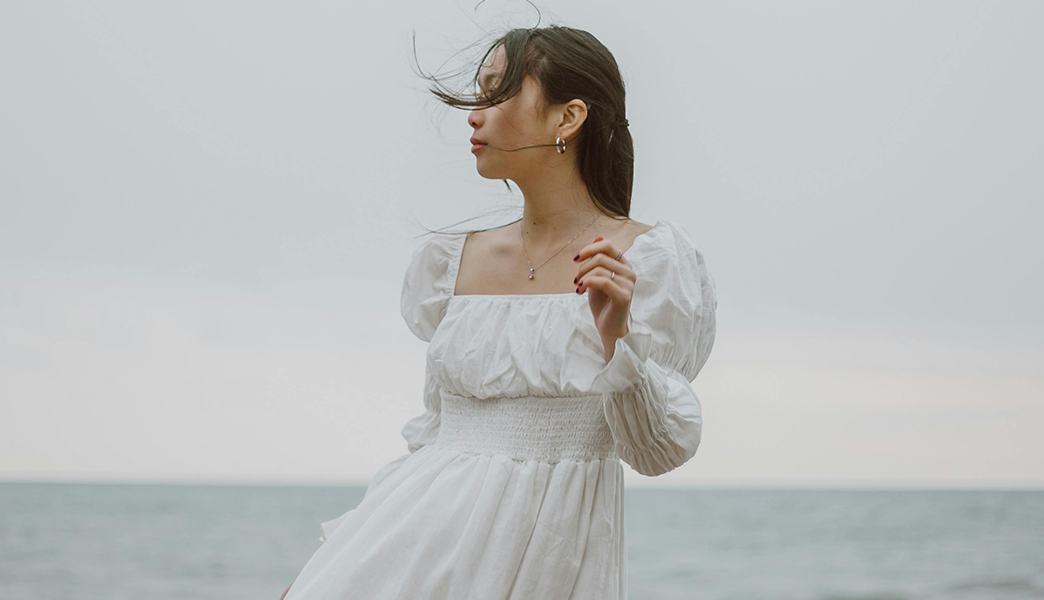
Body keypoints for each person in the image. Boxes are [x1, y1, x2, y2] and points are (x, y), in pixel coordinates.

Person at [280, 24, 717, 600]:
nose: (474, 114)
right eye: (478, 94)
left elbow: (655, 451)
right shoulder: (447, 264)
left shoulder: (653, 263)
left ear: (569, 118)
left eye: (497, 93)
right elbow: (434, 442)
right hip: (403, 550)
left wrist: (619, 339)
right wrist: (341, 557)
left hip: (547, 565)